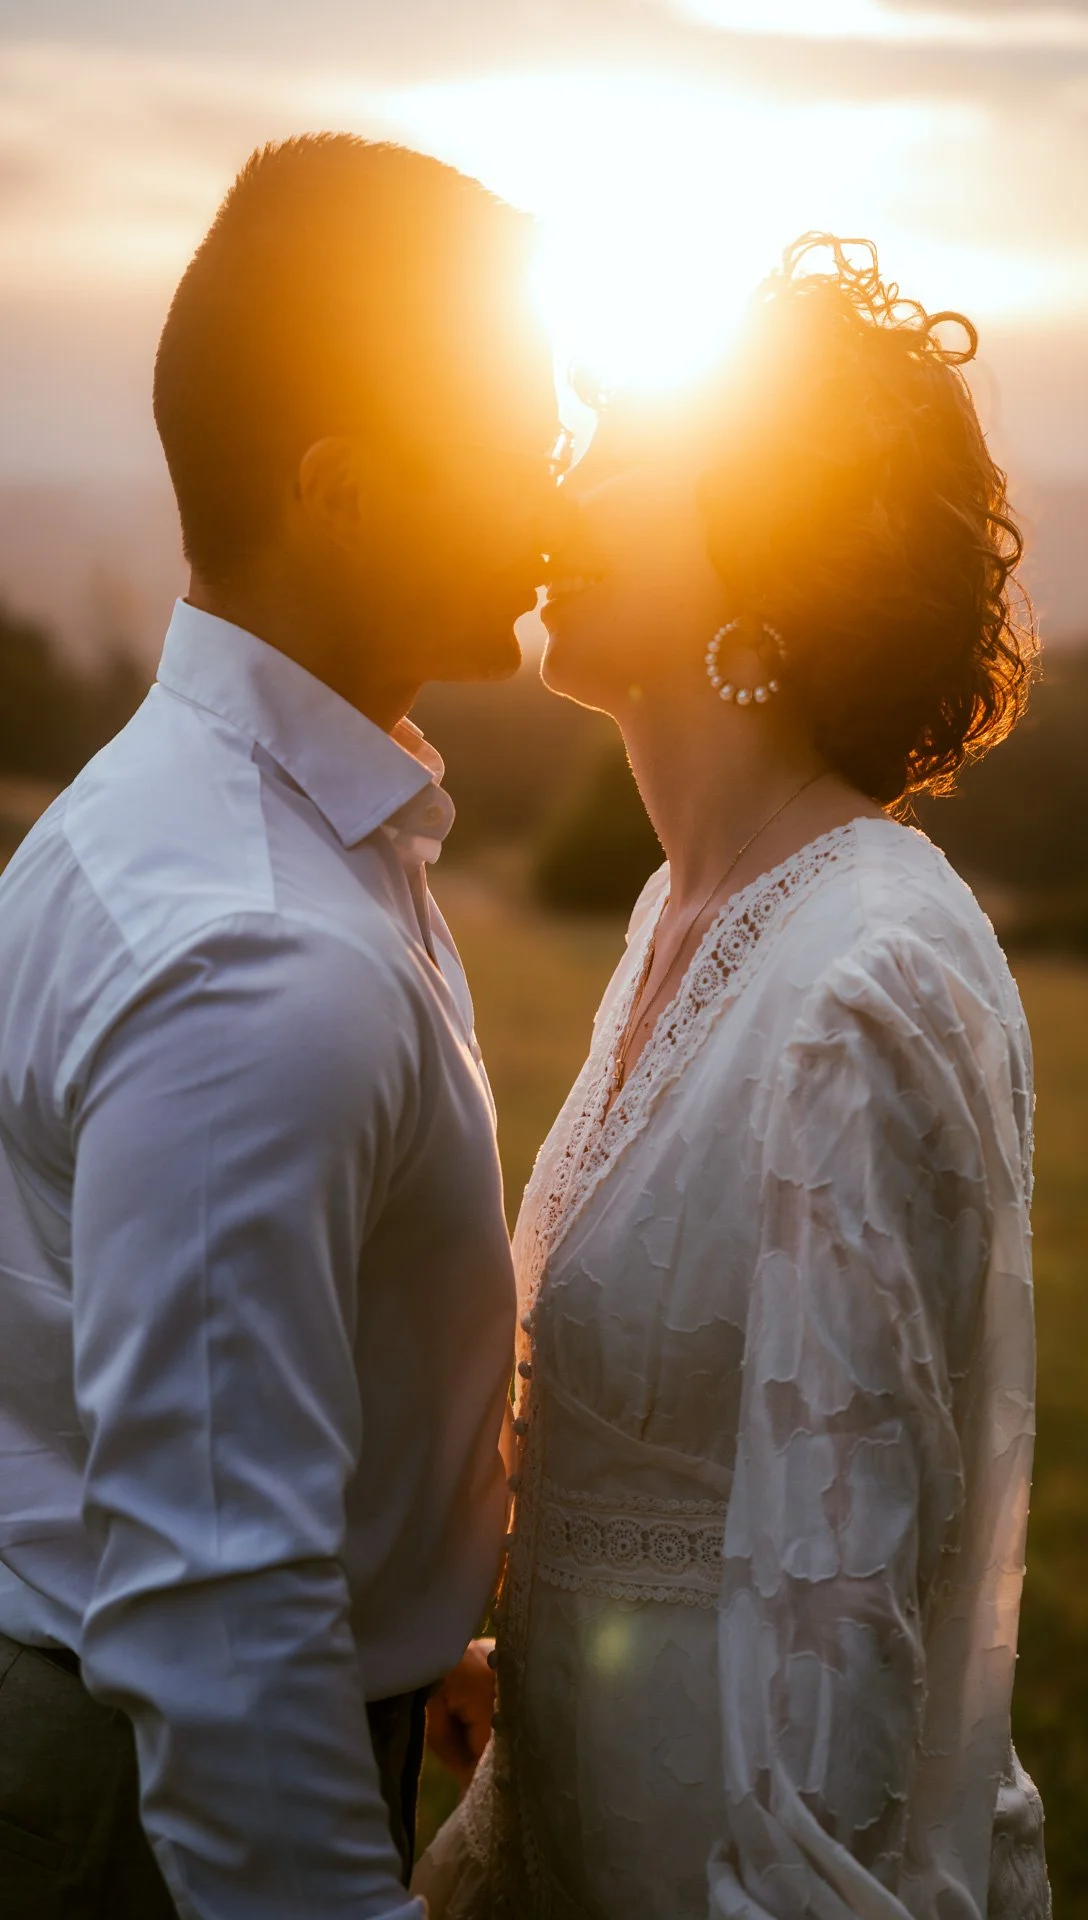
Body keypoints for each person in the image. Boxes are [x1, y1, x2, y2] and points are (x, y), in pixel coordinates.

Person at [418, 237, 1052, 1918]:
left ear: (769, 555)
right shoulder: (673, 914)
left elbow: (850, 1631)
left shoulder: (866, 978)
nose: (563, 482)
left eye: (625, 449)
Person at [0, 134, 564, 1918]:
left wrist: (407, 1626)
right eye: (516, 428)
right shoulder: (254, 958)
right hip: (157, 1812)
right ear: (344, 489)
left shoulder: (220, 815)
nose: (559, 471)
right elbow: (216, 1622)